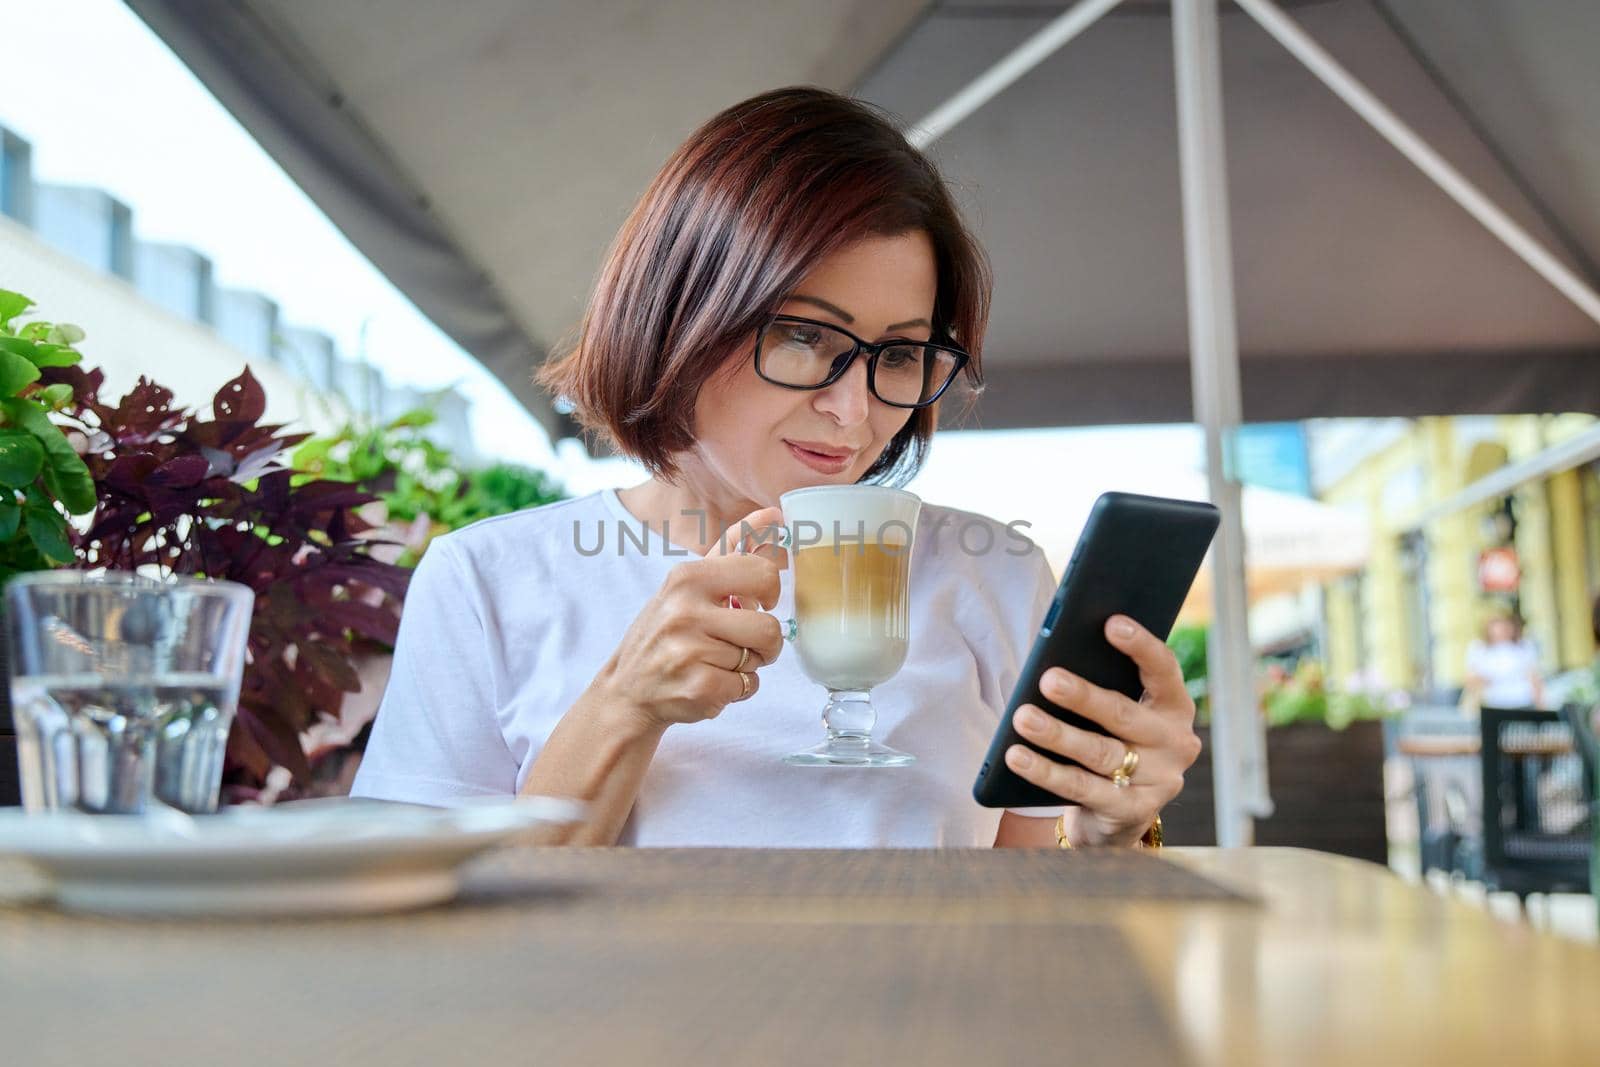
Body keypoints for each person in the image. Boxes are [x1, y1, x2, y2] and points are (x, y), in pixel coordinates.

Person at [350, 87, 1202, 847]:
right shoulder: (488, 580)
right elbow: (425, 942)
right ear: (681, 313)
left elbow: (1033, 938)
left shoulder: (993, 577)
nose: (855, 409)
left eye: (901, 355)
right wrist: (626, 703)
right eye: (804, 337)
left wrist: (1107, 834)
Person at [1464, 611, 1545, 711]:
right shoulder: (1479, 648)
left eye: (1506, 624)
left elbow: (1535, 678)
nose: (1503, 629)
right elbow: (1470, 680)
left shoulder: (1524, 646)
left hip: (1523, 702)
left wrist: (1541, 706)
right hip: (1491, 703)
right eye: (1498, 625)